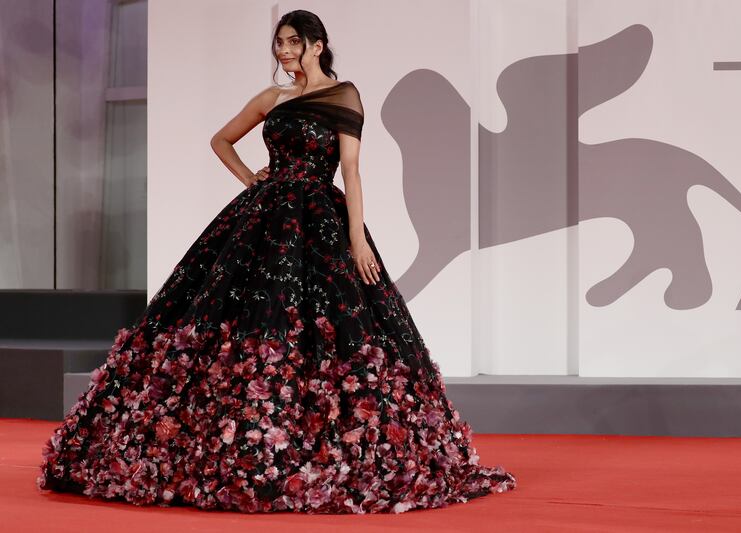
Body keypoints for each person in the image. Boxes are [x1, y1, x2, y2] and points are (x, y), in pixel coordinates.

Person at [37, 9, 516, 514]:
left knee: (329, 323)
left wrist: (357, 238)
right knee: (230, 311)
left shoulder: (343, 95)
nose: (283, 51)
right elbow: (221, 139)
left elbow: (351, 170)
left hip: (321, 222)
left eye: (292, 42)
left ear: (317, 44)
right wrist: (250, 179)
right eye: (279, 43)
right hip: (262, 218)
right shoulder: (274, 98)